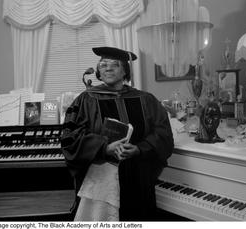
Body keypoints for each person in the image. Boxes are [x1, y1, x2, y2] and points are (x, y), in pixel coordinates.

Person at [61, 46, 174, 221]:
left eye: (115, 64)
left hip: (138, 177)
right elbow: (70, 137)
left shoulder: (146, 99)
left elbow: (163, 132)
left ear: (125, 71)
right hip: (102, 178)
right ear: (98, 70)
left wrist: (140, 149)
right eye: (103, 64)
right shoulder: (87, 99)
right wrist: (104, 148)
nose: (108, 68)